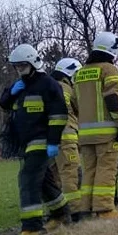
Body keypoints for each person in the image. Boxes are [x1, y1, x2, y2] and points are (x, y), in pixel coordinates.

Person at [0, 43, 72, 235]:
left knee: (28, 179)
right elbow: (3, 103)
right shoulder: (20, 85)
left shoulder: (48, 84)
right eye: (16, 66)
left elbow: (58, 115)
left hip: (41, 140)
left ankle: (32, 228)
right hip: (24, 142)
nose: (19, 70)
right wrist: (11, 92)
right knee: (45, 182)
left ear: (33, 62)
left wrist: (53, 142)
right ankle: (61, 213)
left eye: (22, 65)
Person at [74, 31, 118, 219]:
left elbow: (74, 104)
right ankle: (104, 209)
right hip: (106, 133)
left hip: (85, 135)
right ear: (112, 50)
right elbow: (113, 99)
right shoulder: (109, 70)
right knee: (106, 170)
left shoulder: (79, 73)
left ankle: (85, 209)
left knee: (89, 172)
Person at [49, 58, 85, 223]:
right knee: (71, 175)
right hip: (66, 138)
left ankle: (58, 213)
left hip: (48, 140)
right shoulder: (65, 88)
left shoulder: (46, 87)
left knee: (54, 177)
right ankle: (76, 213)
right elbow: (80, 110)